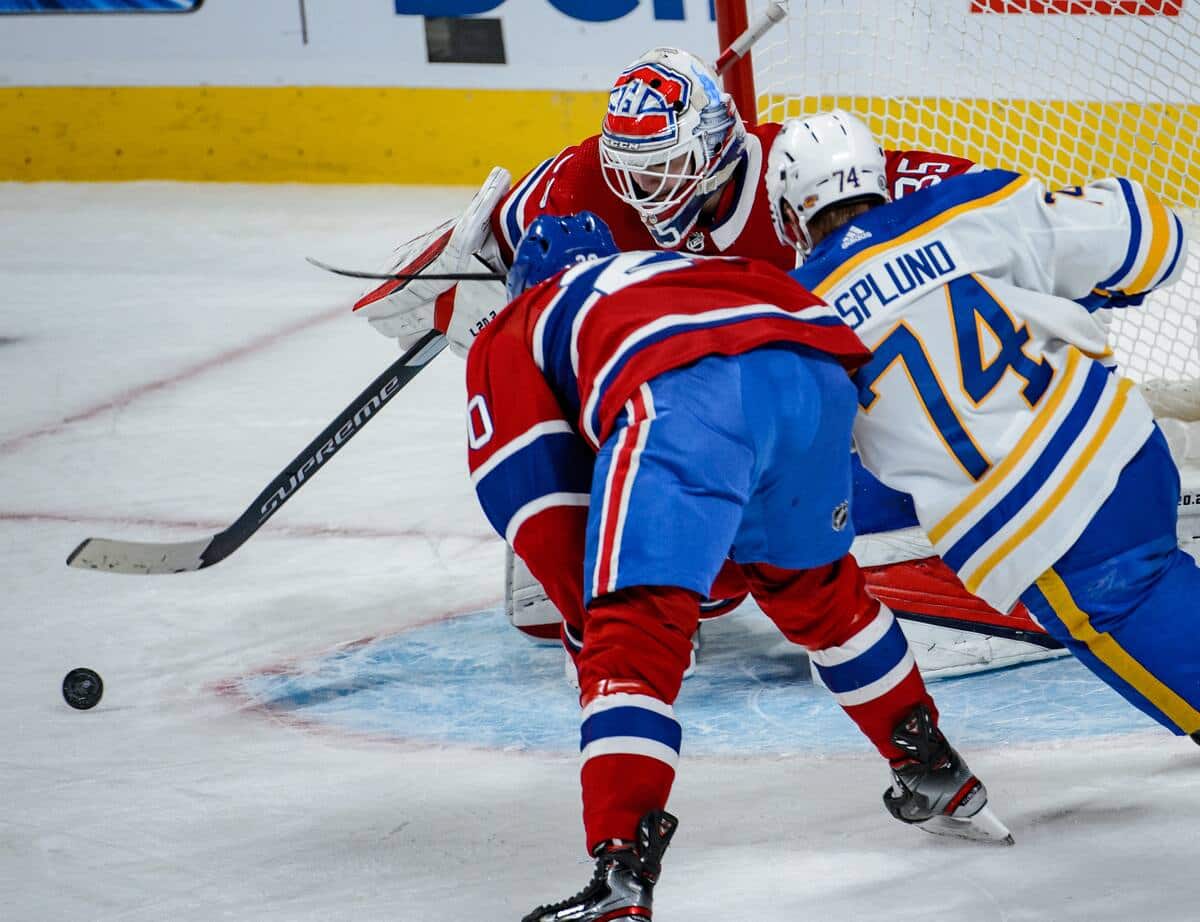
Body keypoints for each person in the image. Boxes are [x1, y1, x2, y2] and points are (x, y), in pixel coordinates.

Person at [354, 45, 1044, 667]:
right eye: (633, 174)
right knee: (563, 359)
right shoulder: (586, 179)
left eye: (667, 170)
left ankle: (925, 573)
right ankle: (581, 534)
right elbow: (495, 244)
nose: (647, 196)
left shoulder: (793, 177)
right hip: (691, 424)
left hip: (783, 418)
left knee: (859, 416)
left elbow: (973, 193)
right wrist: (459, 288)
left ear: (718, 149)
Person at [465, 212, 1012, 922]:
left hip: (683, 386)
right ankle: (933, 767)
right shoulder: (676, 269)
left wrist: (600, 616)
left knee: (631, 635)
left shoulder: (518, 324)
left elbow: (536, 500)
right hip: (813, 365)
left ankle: (621, 878)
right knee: (818, 592)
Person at [768, 109, 1200, 739]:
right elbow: (1153, 239)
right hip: (1127, 448)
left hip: (1045, 534)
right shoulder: (972, 204)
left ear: (789, 218)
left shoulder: (795, 318)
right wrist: (1074, 293)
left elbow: (801, 478)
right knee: (1164, 577)